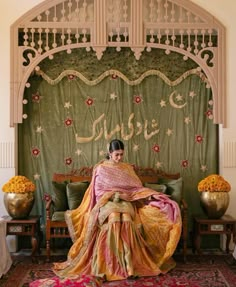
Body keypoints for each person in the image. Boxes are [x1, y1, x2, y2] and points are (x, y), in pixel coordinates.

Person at [53, 139, 182, 281]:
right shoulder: (101, 169)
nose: (119, 158)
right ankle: (112, 265)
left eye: (121, 154)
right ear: (110, 153)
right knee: (114, 218)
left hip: (127, 201)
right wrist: (116, 195)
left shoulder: (127, 168)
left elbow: (136, 187)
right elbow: (99, 191)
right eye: (116, 155)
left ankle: (130, 266)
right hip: (107, 201)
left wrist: (133, 196)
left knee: (126, 220)